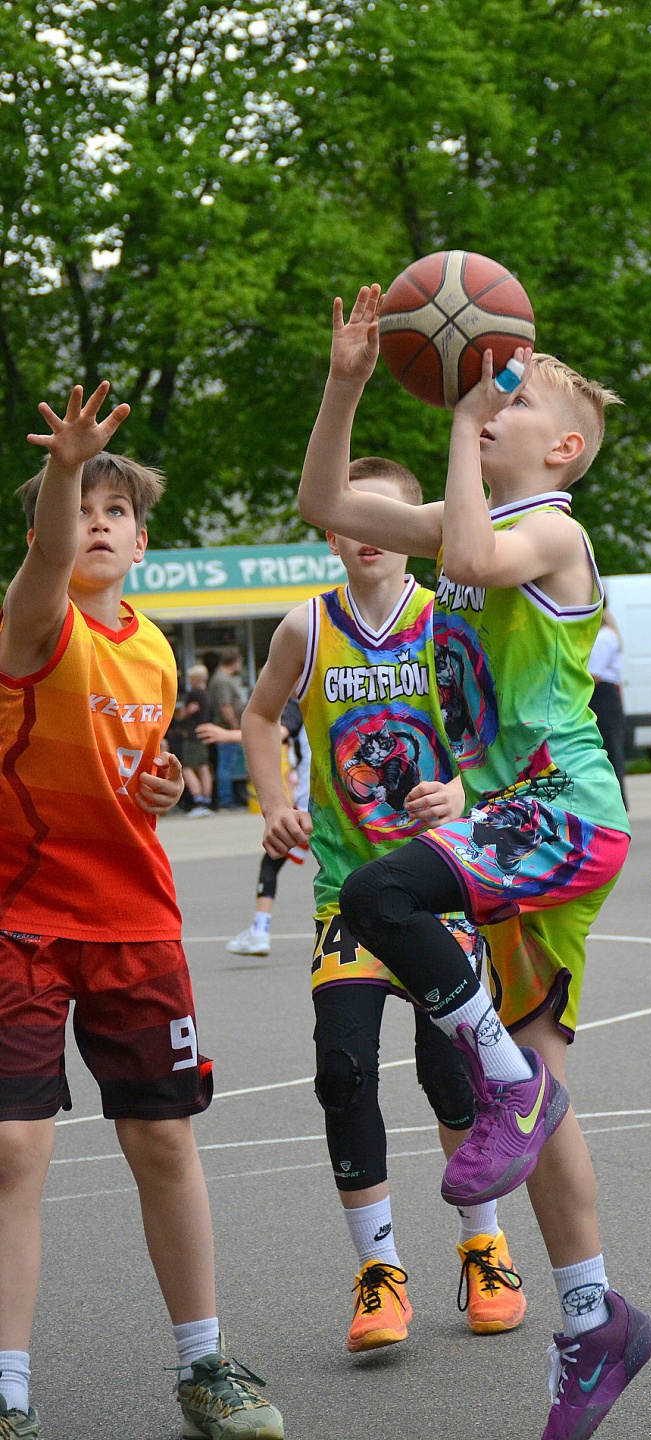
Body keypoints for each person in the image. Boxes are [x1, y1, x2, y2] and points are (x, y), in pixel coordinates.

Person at [298, 286, 651, 1440]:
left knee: (377, 890)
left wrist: (460, 422)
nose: (489, 402)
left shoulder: (550, 530)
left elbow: (467, 548)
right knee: (541, 1107)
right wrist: (348, 383)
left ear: (561, 450)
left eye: (513, 397)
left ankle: (503, 1079)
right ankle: (593, 1320)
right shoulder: (465, 526)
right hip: (514, 826)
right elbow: (322, 503)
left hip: (562, 811)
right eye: (486, 391)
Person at [0, 383, 283, 1440]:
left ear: (144, 541)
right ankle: (8, 1389)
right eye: (81, 510)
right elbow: (44, 562)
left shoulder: (157, 652)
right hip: (23, 921)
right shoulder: (36, 622)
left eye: (116, 511)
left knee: (163, 1141)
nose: (97, 524)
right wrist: (68, 465)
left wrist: (158, 785)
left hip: (135, 924)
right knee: (14, 1150)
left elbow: (133, 766)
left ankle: (205, 1365)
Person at [242, 455, 527, 1351]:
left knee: (450, 1075)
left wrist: (464, 791)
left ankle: (484, 1247)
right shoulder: (306, 626)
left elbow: (499, 736)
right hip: (346, 893)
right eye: (352, 516)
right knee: (342, 1071)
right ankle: (378, 1272)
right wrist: (275, 802)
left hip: (438, 884)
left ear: (418, 531)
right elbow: (259, 717)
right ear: (333, 532)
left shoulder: (446, 620)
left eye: (387, 516)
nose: (368, 532)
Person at [221, 698, 313, 956]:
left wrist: (226, 735)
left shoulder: (298, 703)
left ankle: (260, 931)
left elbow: (270, 730)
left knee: (272, 862)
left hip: (308, 808)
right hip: (332, 802)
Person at [588, 598, 629, 807]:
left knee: (609, 752)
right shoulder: (604, 635)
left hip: (602, 696)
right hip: (602, 695)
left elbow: (593, 675)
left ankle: (616, 803)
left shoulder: (604, 637)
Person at [208, 647, 247, 809]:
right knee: (226, 765)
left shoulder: (220, 678)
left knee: (230, 764)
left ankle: (230, 795)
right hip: (226, 729)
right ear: (235, 662)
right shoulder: (222, 680)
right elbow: (225, 706)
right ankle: (226, 798)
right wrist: (234, 725)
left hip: (227, 728)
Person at [178, 662, 214, 817]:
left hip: (192, 735)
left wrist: (184, 712)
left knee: (186, 768)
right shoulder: (207, 694)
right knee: (203, 767)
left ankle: (197, 800)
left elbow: (183, 714)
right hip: (204, 734)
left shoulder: (194, 694)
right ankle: (207, 800)